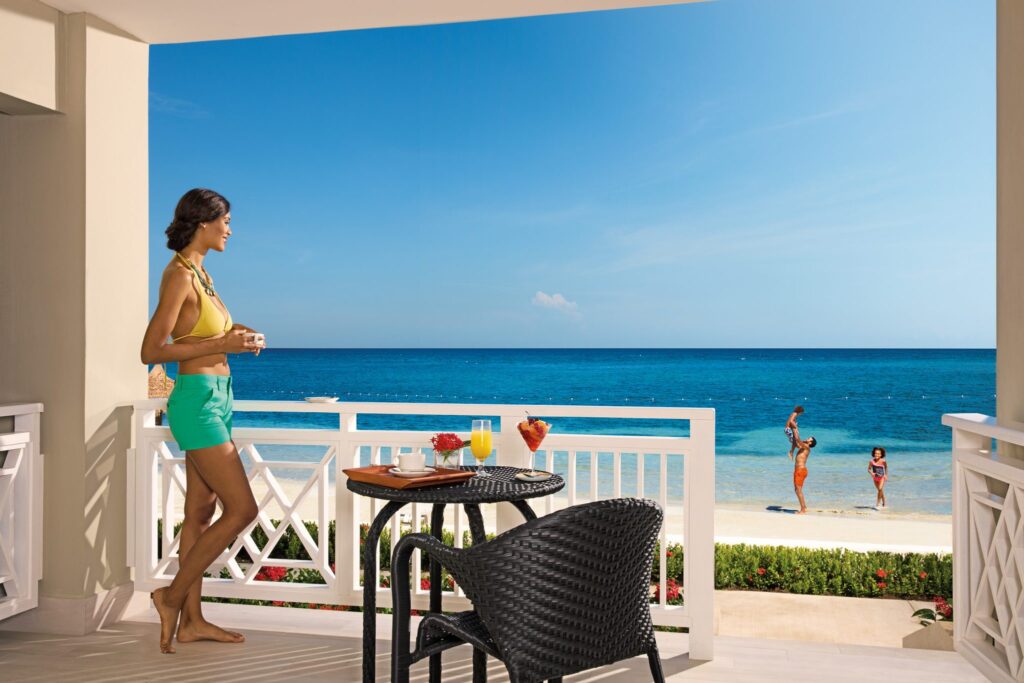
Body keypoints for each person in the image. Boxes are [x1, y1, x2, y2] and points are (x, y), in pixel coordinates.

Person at [140, 188, 265, 654]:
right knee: (242, 509)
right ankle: (170, 598)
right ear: (204, 222)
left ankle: (192, 621)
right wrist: (221, 347)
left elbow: (203, 334)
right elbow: (152, 351)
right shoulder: (178, 275)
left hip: (218, 398)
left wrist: (237, 337)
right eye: (226, 221)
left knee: (200, 512)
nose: (230, 229)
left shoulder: (201, 273)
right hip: (195, 403)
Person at [792, 436, 817, 514]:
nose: (808, 438)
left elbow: (798, 441)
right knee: (797, 490)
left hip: (801, 470)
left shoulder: (806, 447)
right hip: (798, 470)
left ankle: (803, 509)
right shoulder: (803, 446)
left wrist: (795, 429)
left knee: (798, 490)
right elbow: (796, 443)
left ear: (810, 442)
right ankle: (804, 506)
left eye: (810, 438)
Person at [868, 446, 889, 510]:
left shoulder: (883, 461)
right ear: (873, 454)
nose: (877, 455)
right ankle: (884, 502)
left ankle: (877, 504)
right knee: (880, 490)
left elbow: (886, 468)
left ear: (881, 454)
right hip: (875, 478)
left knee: (880, 489)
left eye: (878, 454)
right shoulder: (871, 461)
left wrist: (886, 475)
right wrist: (872, 473)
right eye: (875, 453)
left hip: (882, 477)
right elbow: (869, 469)